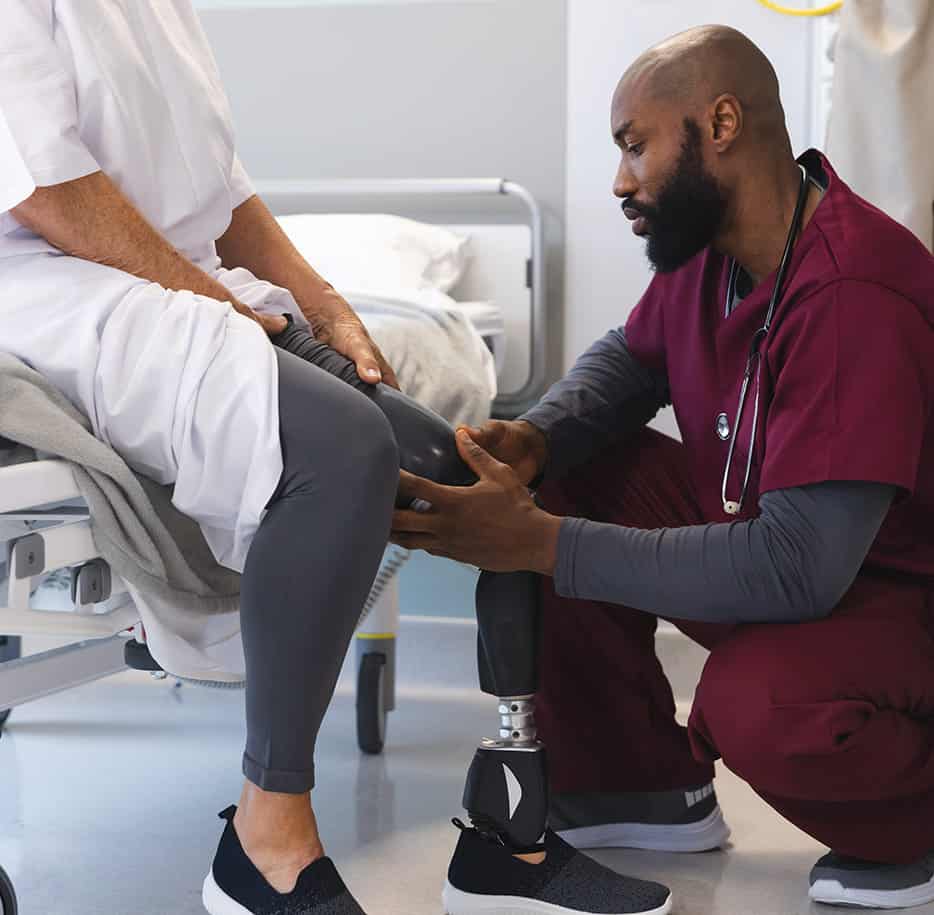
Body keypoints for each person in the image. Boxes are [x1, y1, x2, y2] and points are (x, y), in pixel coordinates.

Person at [392, 24, 934, 912]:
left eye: (635, 145)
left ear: (720, 123)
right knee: (563, 470)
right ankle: (635, 784)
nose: (619, 179)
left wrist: (544, 546)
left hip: (898, 602)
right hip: (799, 560)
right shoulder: (714, 250)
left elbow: (796, 567)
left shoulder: (852, 293)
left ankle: (914, 820)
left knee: (755, 706)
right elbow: (630, 360)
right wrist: (536, 440)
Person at [0, 3, 403, 914]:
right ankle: (268, 841)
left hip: (164, 275)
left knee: (432, 455)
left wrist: (323, 301)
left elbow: (221, 195)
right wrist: (214, 306)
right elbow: (42, 188)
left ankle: (514, 831)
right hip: (47, 284)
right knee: (342, 448)